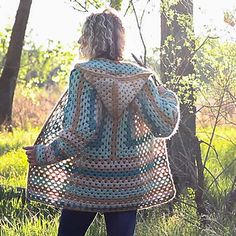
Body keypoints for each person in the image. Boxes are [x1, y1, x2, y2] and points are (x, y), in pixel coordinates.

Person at [24, 8, 180, 236]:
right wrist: (167, 95)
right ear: (120, 38)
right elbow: (164, 125)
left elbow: (81, 130)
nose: (80, 40)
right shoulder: (141, 77)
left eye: (84, 35)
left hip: (87, 178)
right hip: (128, 181)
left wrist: (45, 153)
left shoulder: (82, 74)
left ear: (91, 38)